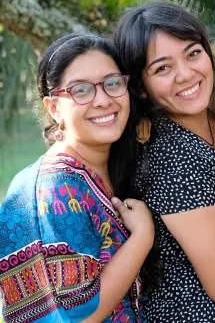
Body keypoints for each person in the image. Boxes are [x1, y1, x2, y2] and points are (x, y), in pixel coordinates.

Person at [113, 1, 215, 322]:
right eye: (162, 68)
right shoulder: (172, 156)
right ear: (141, 88)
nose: (186, 74)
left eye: (192, 53)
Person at [0, 33, 153, 322]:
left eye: (112, 83)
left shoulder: (111, 167)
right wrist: (142, 237)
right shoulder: (55, 188)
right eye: (81, 90)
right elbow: (79, 317)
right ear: (54, 108)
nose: (103, 100)